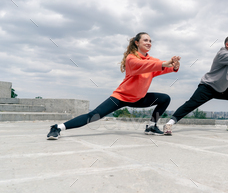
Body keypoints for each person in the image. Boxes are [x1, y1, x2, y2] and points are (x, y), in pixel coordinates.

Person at [47, 32, 180, 140]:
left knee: (165, 98)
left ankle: (151, 126)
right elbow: (145, 66)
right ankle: (57, 128)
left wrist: (173, 67)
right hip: (121, 97)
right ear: (137, 43)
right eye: (145, 40)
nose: (149, 43)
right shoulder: (131, 58)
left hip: (138, 98)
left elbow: (159, 68)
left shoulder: (153, 61)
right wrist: (164, 63)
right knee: (93, 116)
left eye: (150, 41)